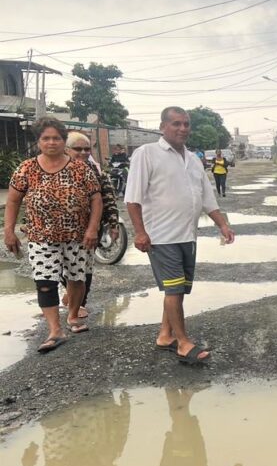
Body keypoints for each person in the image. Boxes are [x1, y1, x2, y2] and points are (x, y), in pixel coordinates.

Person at [125, 106, 235, 363]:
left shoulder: (193, 159)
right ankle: (183, 343)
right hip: (161, 237)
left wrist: (223, 224)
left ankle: (165, 335)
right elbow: (133, 199)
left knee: (178, 290)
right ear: (163, 126)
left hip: (188, 235)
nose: (182, 128)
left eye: (186, 124)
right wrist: (140, 232)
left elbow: (207, 197)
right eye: (176, 124)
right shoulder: (147, 154)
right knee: (174, 290)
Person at [4, 117, 102, 352]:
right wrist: (9, 231)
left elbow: (96, 200)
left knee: (77, 280)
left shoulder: (80, 169)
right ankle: (55, 331)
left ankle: (73, 315)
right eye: (45, 138)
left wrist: (92, 229)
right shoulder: (26, 168)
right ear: (38, 141)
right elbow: (13, 200)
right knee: (45, 283)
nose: (51, 142)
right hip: (40, 237)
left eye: (56, 138)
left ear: (63, 140)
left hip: (77, 237)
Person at [61, 132, 120, 319]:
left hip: (89, 228)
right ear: (67, 149)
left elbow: (108, 196)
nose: (84, 152)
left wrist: (113, 223)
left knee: (84, 267)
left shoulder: (94, 169)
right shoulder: (53, 168)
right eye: (78, 149)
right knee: (61, 266)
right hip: (59, 229)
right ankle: (71, 293)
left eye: (87, 149)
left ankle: (80, 303)